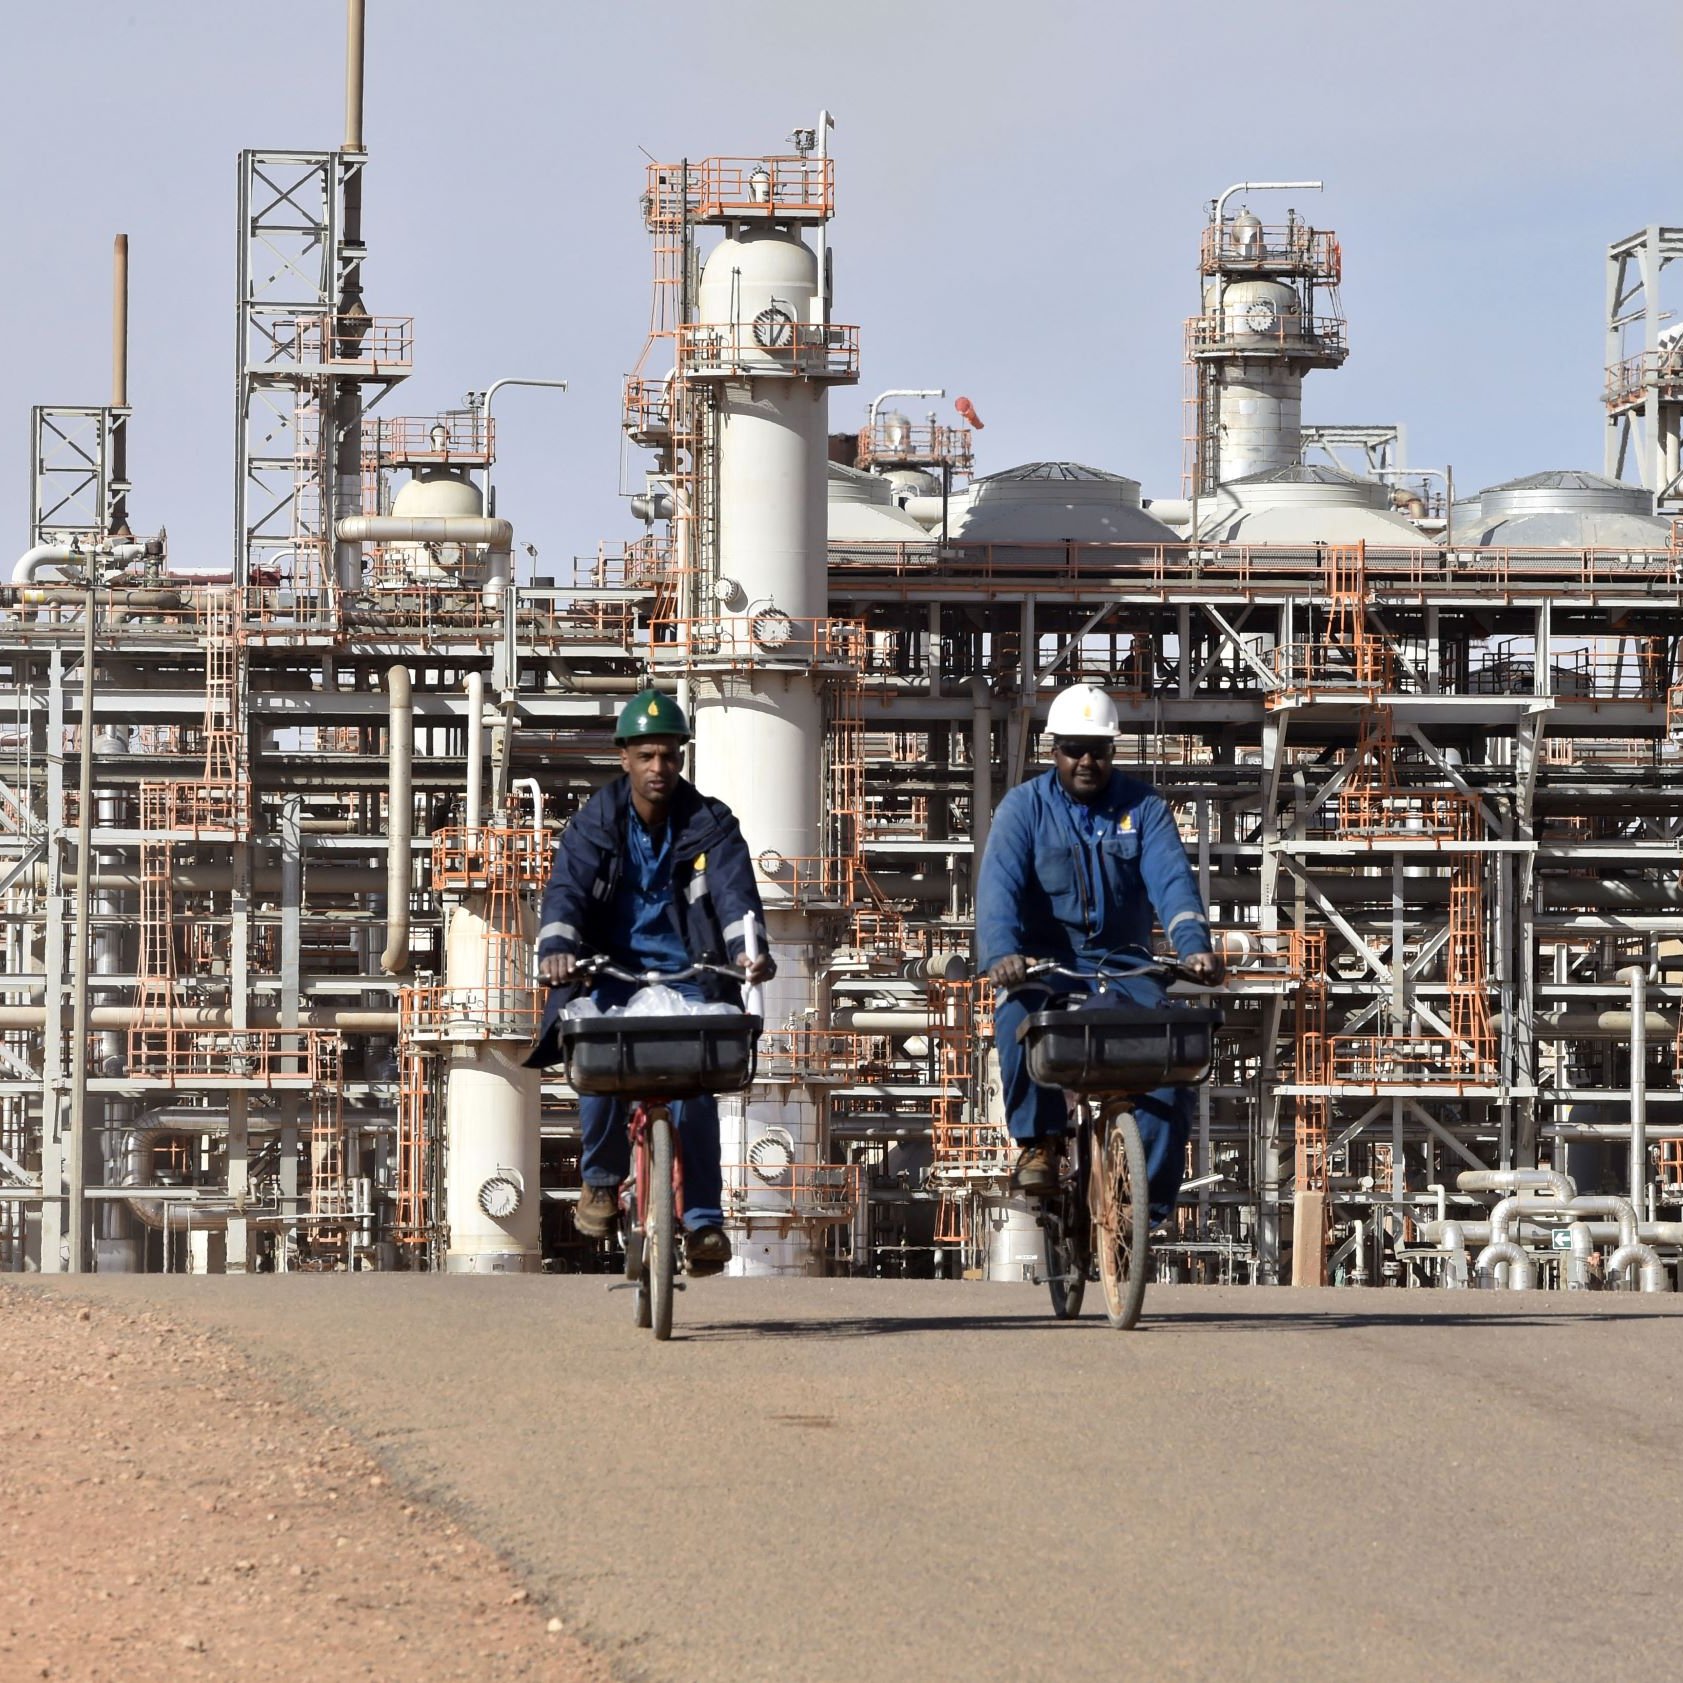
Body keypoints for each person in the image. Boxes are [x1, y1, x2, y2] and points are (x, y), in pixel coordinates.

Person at [524, 688, 774, 1273]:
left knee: (696, 1089)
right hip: (609, 968)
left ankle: (704, 1224)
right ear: (625, 759)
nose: (658, 768)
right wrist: (558, 949)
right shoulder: (593, 825)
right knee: (596, 1065)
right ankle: (602, 1183)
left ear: (682, 758)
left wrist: (748, 953)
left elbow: (736, 895)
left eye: (669, 756)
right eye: (646, 756)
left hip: (693, 972)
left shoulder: (711, 825)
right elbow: (567, 891)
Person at [975, 682, 1223, 1221]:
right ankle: (1038, 1142)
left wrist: (1193, 947)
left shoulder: (1145, 809)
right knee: (1020, 1018)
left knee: (1170, 1065)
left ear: (1114, 751)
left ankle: (1139, 1208)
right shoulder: (1024, 809)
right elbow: (998, 890)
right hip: (1047, 966)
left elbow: (1173, 883)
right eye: (1074, 749)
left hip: (1128, 965)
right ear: (1053, 750)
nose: (1087, 761)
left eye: (1100, 750)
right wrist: (1002, 953)